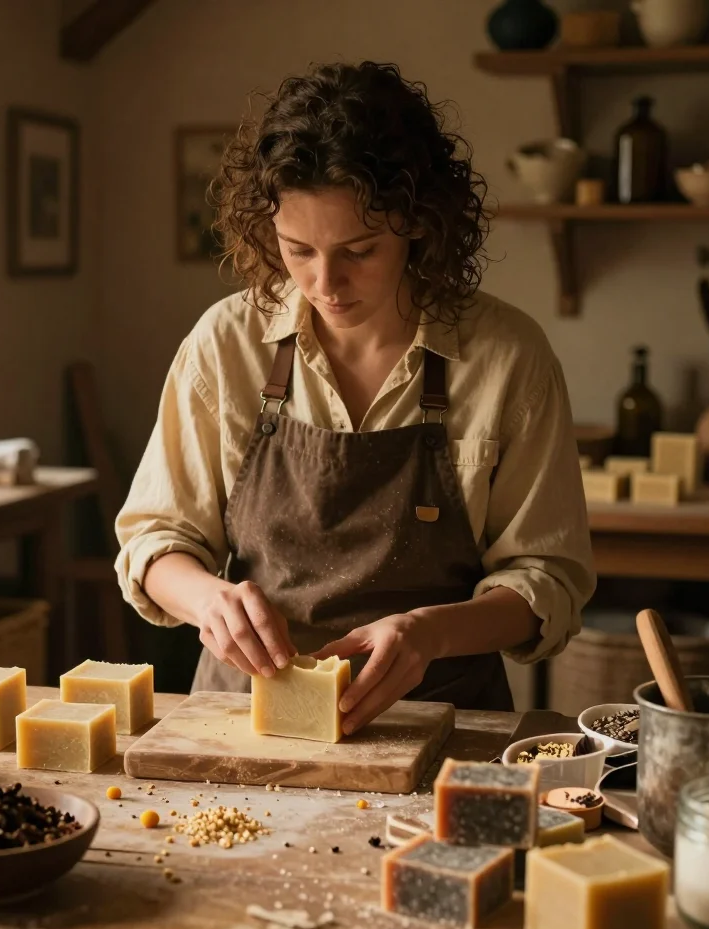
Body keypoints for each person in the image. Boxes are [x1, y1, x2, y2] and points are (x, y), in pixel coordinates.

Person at [117, 61, 595, 735]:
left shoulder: (509, 357)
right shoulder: (226, 343)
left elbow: (548, 578)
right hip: (246, 721)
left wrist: (428, 633)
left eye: (360, 250)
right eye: (297, 249)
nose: (326, 282)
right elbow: (155, 539)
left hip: (443, 724)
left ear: (420, 224)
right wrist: (208, 600)